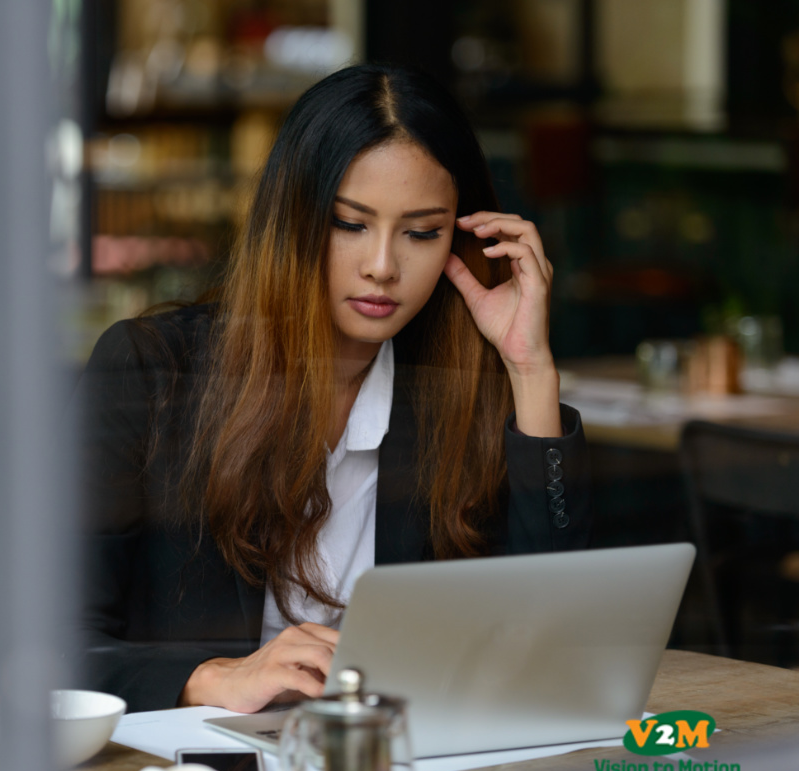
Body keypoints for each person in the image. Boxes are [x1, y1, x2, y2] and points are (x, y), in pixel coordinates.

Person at [77, 63, 592, 714]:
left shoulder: (448, 396)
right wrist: (210, 678)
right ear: (292, 220)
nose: (382, 266)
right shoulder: (153, 372)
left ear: (461, 237)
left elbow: (552, 640)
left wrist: (530, 369)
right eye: (350, 223)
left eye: (422, 232)